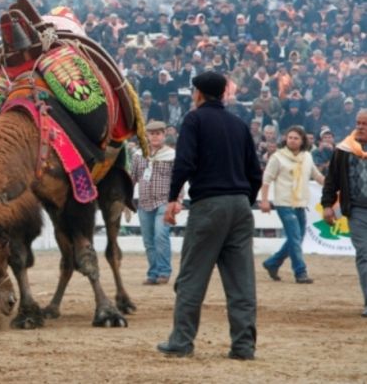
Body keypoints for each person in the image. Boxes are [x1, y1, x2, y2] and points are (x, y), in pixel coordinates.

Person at [159, 71, 262, 360]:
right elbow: (255, 173)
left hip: (209, 205)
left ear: (199, 94)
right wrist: (242, 200)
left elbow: (185, 162)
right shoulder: (239, 125)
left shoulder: (194, 120)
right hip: (240, 206)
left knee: (192, 277)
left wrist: (172, 197)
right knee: (242, 282)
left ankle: (181, 341)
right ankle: (243, 346)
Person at [261, 126, 325, 284]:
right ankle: (300, 272)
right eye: (290, 137)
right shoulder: (277, 157)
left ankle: (272, 263)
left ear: (302, 140)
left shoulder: (307, 157)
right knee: (295, 238)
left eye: (296, 138)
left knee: (296, 238)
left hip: (300, 203)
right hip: (284, 203)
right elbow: (266, 179)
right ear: (285, 139)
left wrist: (333, 187)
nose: (292, 140)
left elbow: (316, 175)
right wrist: (264, 200)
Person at [321, 109, 367, 318]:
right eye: (358, 123)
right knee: (364, 254)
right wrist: (328, 205)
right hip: (357, 209)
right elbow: (332, 179)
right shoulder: (344, 149)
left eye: (365, 123)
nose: (360, 127)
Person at [129, 120, 178, 285]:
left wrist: (177, 200)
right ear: (147, 136)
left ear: (164, 135)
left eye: (158, 133)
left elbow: (177, 181)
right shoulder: (138, 155)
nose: (155, 136)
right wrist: (126, 198)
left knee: (160, 235)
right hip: (144, 202)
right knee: (149, 240)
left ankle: (164, 271)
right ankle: (154, 272)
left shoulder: (171, 156)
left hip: (164, 200)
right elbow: (133, 178)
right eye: (152, 134)